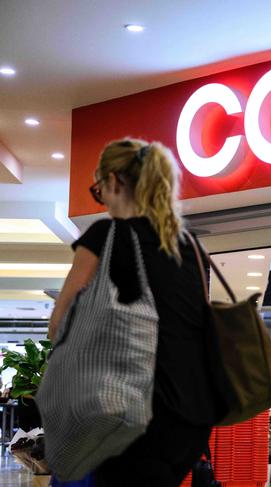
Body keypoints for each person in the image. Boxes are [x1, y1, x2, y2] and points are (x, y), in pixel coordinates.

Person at [48, 139, 215, 487]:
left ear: (115, 182)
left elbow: (60, 325)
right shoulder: (189, 247)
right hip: (189, 419)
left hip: (130, 414)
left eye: (99, 190)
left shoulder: (107, 235)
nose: (103, 201)